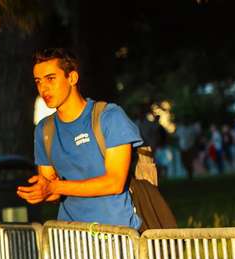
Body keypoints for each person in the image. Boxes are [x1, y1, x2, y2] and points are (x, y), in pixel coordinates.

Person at [17, 48, 143, 229]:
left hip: (116, 235)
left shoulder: (109, 116)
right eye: (38, 81)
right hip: (71, 237)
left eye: (51, 79)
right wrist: (39, 191)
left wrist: (54, 188)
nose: (43, 88)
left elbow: (115, 182)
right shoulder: (44, 129)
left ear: (72, 78)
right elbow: (52, 189)